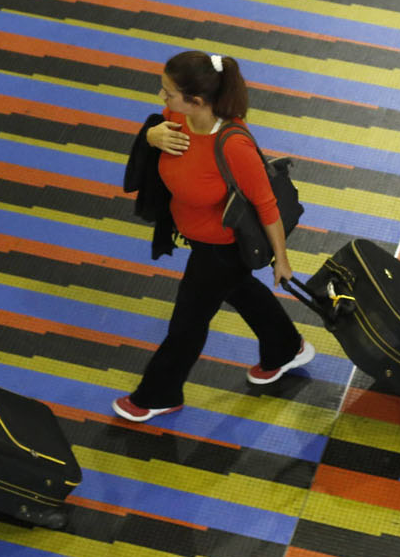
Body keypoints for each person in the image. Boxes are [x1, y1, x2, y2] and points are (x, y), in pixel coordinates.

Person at [113, 51, 315, 423]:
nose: (162, 97)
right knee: (242, 292)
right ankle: (286, 348)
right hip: (198, 237)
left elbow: (266, 204)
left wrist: (281, 260)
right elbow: (160, 132)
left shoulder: (234, 145)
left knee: (187, 324)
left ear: (199, 100)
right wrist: (151, 134)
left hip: (223, 248)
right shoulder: (178, 118)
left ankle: (158, 394)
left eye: (169, 92)